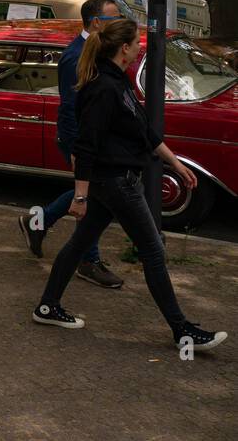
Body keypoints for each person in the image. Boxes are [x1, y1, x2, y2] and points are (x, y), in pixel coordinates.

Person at [33, 18, 226, 352]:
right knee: (152, 250)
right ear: (124, 49)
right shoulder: (102, 88)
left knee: (80, 244)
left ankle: (47, 306)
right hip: (115, 183)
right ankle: (182, 331)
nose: (139, 49)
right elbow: (86, 145)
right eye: (136, 44)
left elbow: (145, 132)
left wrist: (177, 165)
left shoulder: (116, 82)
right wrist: (79, 195)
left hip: (116, 181)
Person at [21, 0, 124, 288]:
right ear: (96, 23)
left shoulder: (95, 50)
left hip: (92, 139)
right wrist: (79, 150)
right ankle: (88, 261)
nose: (117, 23)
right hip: (80, 141)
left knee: (92, 192)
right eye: (112, 18)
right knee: (90, 194)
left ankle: (38, 222)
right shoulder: (74, 57)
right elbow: (69, 108)